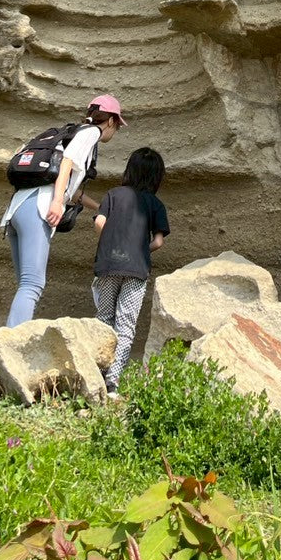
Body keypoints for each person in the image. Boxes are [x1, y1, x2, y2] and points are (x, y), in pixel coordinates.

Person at [1, 95, 127, 327]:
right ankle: (12, 347)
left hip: (17, 209)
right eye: (117, 125)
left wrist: (101, 208)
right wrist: (58, 201)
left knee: (25, 284)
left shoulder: (63, 135)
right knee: (32, 284)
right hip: (40, 206)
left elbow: (72, 189)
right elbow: (67, 162)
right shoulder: (90, 133)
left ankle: (11, 343)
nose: (115, 130)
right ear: (110, 121)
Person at [92, 146, 170, 396]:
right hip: (136, 270)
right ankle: (112, 383)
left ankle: (96, 374)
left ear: (129, 170)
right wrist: (140, 249)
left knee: (104, 318)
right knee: (126, 325)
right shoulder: (155, 204)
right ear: (157, 177)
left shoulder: (113, 194)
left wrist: (113, 243)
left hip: (109, 265)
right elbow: (158, 242)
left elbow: (99, 223)